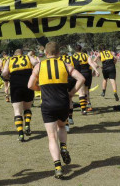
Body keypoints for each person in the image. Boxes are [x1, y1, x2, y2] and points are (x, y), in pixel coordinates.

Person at [28, 42, 85, 178]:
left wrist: (40, 89)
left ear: (45, 54)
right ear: (59, 53)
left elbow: (30, 85)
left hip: (47, 104)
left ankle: (58, 166)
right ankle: (64, 147)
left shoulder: (39, 65)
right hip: (63, 103)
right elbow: (81, 78)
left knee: (51, 137)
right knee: (62, 127)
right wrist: (71, 93)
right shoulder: (64, 64)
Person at [2, 49, 38, 141]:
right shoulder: (27, 57)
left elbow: (5, 73)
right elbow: (36, 63)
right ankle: (27, 124)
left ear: (14, 54)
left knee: (17, 111)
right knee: (27, 108)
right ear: (22, 53)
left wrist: (6, 76)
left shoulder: (10, 59)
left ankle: (21, 134)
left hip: (15, 85)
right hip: (28, 84)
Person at [58, 52, 81, 132]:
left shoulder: (58, 59)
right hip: (71, 79)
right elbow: (78, 66)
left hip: (62, 80)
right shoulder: (72, 58)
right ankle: (70, 117)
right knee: (69, 99)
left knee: (62, 101)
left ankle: (66, 123)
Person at [73, 45, 100, 113]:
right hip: (88, 74)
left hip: (79, 74)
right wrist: (96, 71)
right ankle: (89, 105)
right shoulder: (85, 55)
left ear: (75, 50)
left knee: (81, 92)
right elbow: (91, 63)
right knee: (86, 90)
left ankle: (83, 109)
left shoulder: (74, 56)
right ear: (81, 49)